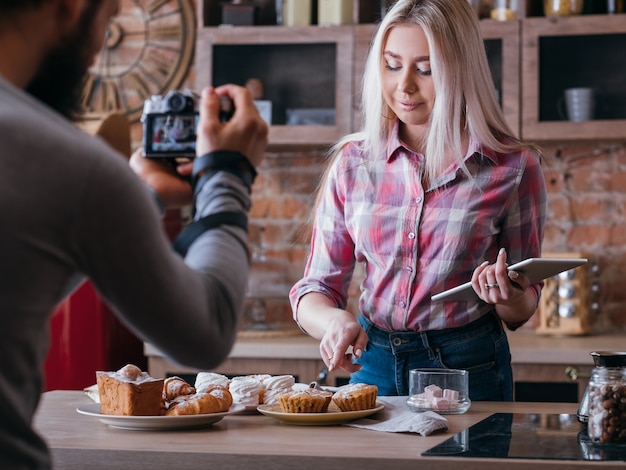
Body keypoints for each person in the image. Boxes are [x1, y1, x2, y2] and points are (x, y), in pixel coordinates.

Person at [0, 1, 268, 468]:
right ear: (74, 8)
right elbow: (202, 334)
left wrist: (139, 193)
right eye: (108, 20)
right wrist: (228, 175)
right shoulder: (69, 163)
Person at [289, 0, 546, 400]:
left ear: (461, 71)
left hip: (468, 366)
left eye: (425, 69)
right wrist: (335, 321)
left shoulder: (512, 167)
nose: (404, 85)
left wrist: (509, 296)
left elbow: (524, 305)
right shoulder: (353, 163)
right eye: (392, 65)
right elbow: (314, 289)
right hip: (372, 362)